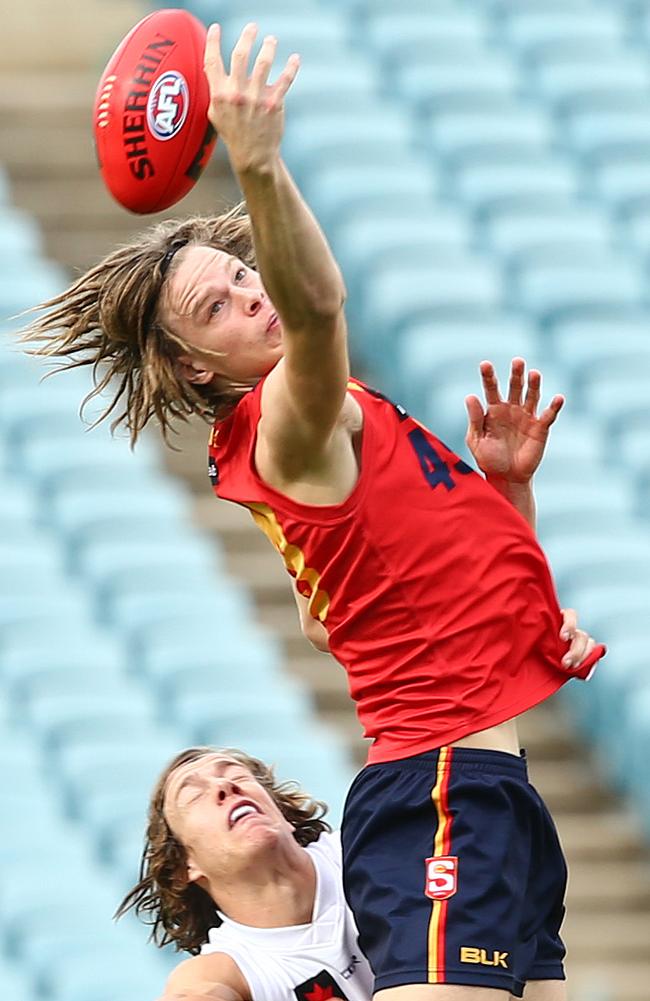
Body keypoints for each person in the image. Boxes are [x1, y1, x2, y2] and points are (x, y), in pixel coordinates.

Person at [25, 23, 606, 1000]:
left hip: (488, 790)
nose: (251, 299)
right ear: (193, 367)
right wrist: (257, 163)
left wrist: (503, 495)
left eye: (244, 279)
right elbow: (321, 306)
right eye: (217, 307)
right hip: (439, 791)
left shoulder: (330, 435)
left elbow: (338, 619)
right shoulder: (282, 422)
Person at [118, 745, 374, 1001]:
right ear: (183, 868)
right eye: (194, 795)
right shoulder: (227, 970)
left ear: (284, 816)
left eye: (238, 776)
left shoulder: (368, 852)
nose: (225, 786)